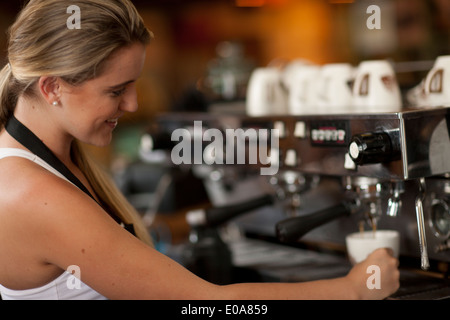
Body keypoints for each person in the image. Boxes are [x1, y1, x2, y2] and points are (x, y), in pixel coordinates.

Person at [0, 0, 400, 300]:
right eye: (116, 90)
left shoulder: (46, 157)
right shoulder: (36, 197)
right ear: (52, 88)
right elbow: (208, 305)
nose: (134, 104)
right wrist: (353, 288)